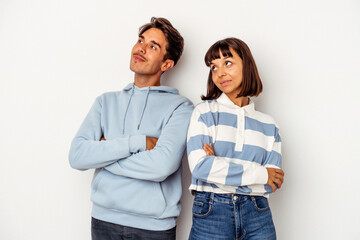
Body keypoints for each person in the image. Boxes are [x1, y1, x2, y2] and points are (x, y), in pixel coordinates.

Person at [69, 17, 193, 240]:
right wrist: (138, 143)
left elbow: (161, 166)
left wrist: (103, 155)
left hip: (154, 229)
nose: (141, 48)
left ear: (167, 64)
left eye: (153, 46)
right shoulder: (105, 102)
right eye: (140, 40)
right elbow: (77, 156)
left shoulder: (180, 108)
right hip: (103, 221)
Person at [186, 37, 284, 240]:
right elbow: (201, 167)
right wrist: (260, 173)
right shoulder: (204, 112)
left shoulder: (269, 124)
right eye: (214, 67)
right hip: (211, 214)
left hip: (258, 214)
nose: (220, 73)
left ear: (246, 65)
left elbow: (272, 182)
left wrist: (218, 165)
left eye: (227, 63)